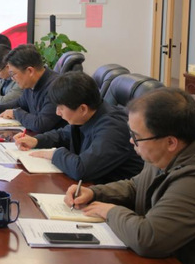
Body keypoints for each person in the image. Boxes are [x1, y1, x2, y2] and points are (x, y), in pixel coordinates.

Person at [64, 88, 195, 264]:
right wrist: (96, 193)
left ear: (170, 142)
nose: (131, 141)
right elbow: (137, 185)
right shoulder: (173, 145)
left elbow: (147, 238)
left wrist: (110, 211)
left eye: (136, 136)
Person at [13, 72, 143, 182]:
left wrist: (54, 154)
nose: (57, 113)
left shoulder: (113, 128)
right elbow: (63, 134)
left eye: (61, 108)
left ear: (82, 109)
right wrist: (36, 140)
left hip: (113, 197)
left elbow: (81, 169)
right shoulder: (89, 116)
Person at [0, 44, 65, 133]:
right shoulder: (30, 83)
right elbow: (20, 103)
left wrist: (15, 113)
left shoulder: (56, 86)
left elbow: (41, 124)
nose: (12, 79)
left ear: (30, 71)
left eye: (13, 74)